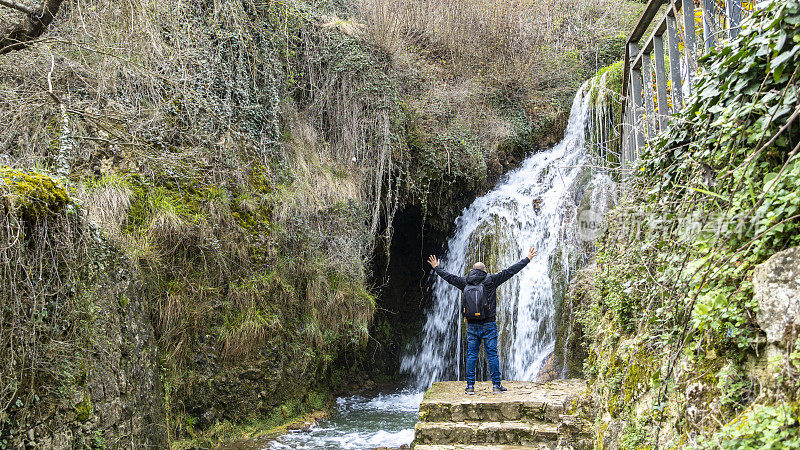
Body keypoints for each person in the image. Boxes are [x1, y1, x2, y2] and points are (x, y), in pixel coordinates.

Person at [427, 246, 537, 395]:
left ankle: (470, 387)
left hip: (472, 324)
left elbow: (450, 278)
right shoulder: (490, 280)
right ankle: (496, 386)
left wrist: (437, 268)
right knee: (492, 354)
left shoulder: (465, 281)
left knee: (472, 354)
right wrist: (527, 259)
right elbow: (511, 271)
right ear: (484, 270)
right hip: (488, 324)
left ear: (473, 270)